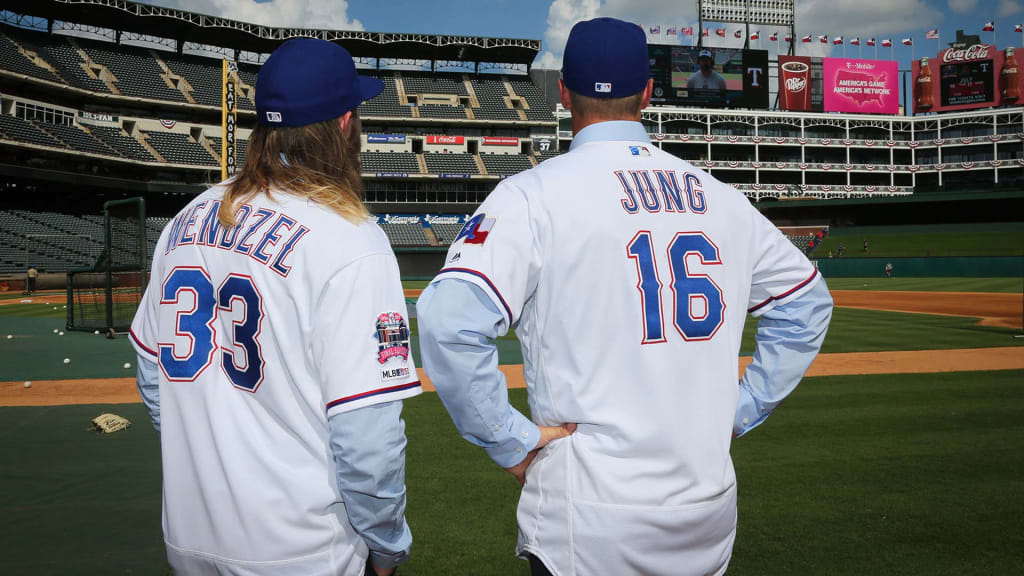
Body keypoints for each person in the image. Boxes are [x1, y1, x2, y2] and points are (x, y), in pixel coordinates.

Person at [417, 17, 832, 576]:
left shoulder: (531, 196)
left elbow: (448, 320)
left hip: (589, 520)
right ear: (648, 93)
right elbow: (806, 304)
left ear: (562, 94)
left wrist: (508, 439)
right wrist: (742, 407)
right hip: (704, 515)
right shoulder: (723, 198)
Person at [129, 38, 420, 576]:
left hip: (191, 537)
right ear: (343, 125)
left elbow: (152, 374)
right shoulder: (352, 240)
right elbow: (368, 441)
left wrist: (206, 465)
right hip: (301, 549)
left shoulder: (188, 218)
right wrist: (387, 547)